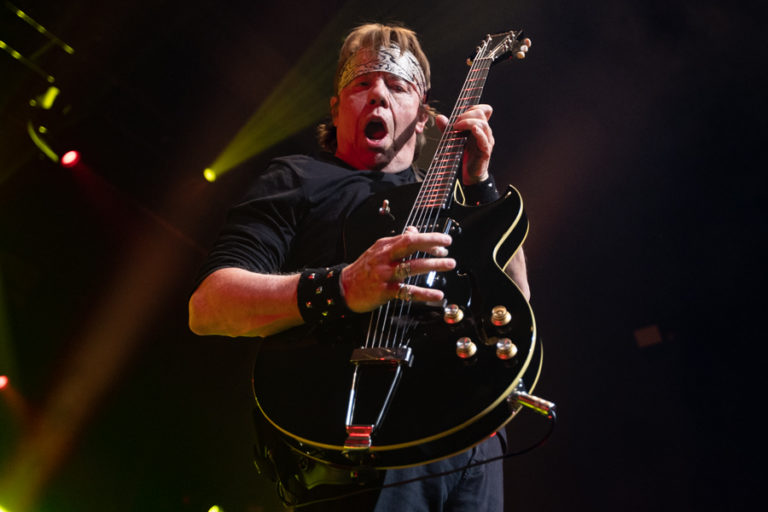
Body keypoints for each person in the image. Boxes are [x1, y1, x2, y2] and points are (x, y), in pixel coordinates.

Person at [189, 22, 530, 511]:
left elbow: (517, 306)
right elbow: (209, 306)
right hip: (359, 446)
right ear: (336, 109)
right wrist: (345, 285)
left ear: (422, 115)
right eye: (361, 84)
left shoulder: (454, 198)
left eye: (398, 86)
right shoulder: (298, 178)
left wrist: (479, 185)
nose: (378, 95)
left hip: (473, 442)